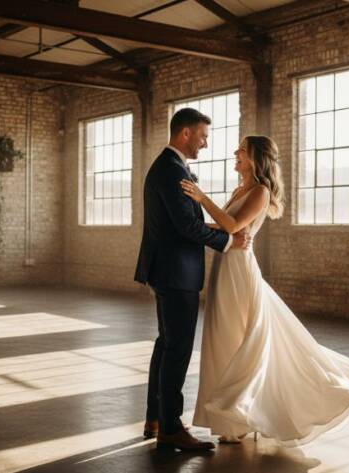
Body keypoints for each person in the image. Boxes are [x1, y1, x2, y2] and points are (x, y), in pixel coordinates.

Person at [181, 135, 349, 446]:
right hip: (223, 266)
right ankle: (231, 421)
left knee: (237, 339)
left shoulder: (260, 192)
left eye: (242, 150)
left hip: (238, 270)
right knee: (221, 339)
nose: (235, 153)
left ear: (255, 159)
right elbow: (220, 227)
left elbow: (233, 226)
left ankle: (241, 416)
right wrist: (189, 227)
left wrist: (202, 198)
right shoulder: (239, 189)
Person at [134, 108, 252, 451]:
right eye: (202, 136)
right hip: (175, 272)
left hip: (166, 269)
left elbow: (183, 223)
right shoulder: (171, 171)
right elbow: (187, 226)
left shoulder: (169, 167)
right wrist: (229, 242)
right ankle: (171, 428)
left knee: (165, 344)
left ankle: (155, 417)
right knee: (178, 348)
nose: (205, 143)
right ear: (185, 134)